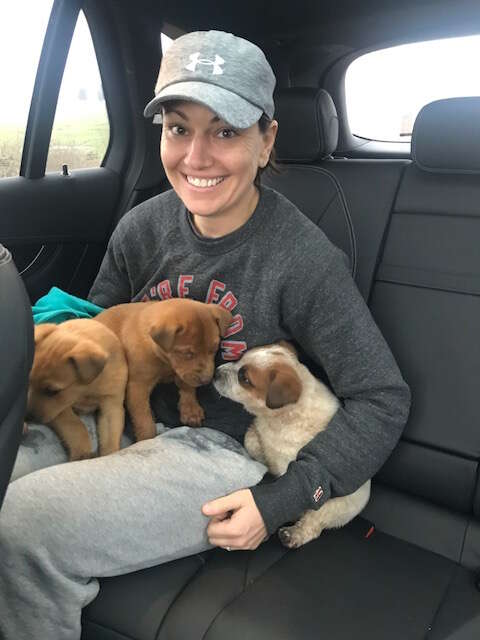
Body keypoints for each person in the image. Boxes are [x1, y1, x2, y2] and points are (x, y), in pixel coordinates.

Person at [0, 30, 410, 640]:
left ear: (267, 141)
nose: (196, 157)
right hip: (122, 411)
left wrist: (284, 500)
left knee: (25, 523)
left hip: (221, 450)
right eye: (177, 128)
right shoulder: (141, 227)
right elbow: (98, 330)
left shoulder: (302, 259)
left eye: (225, 131)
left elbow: (382, 397)